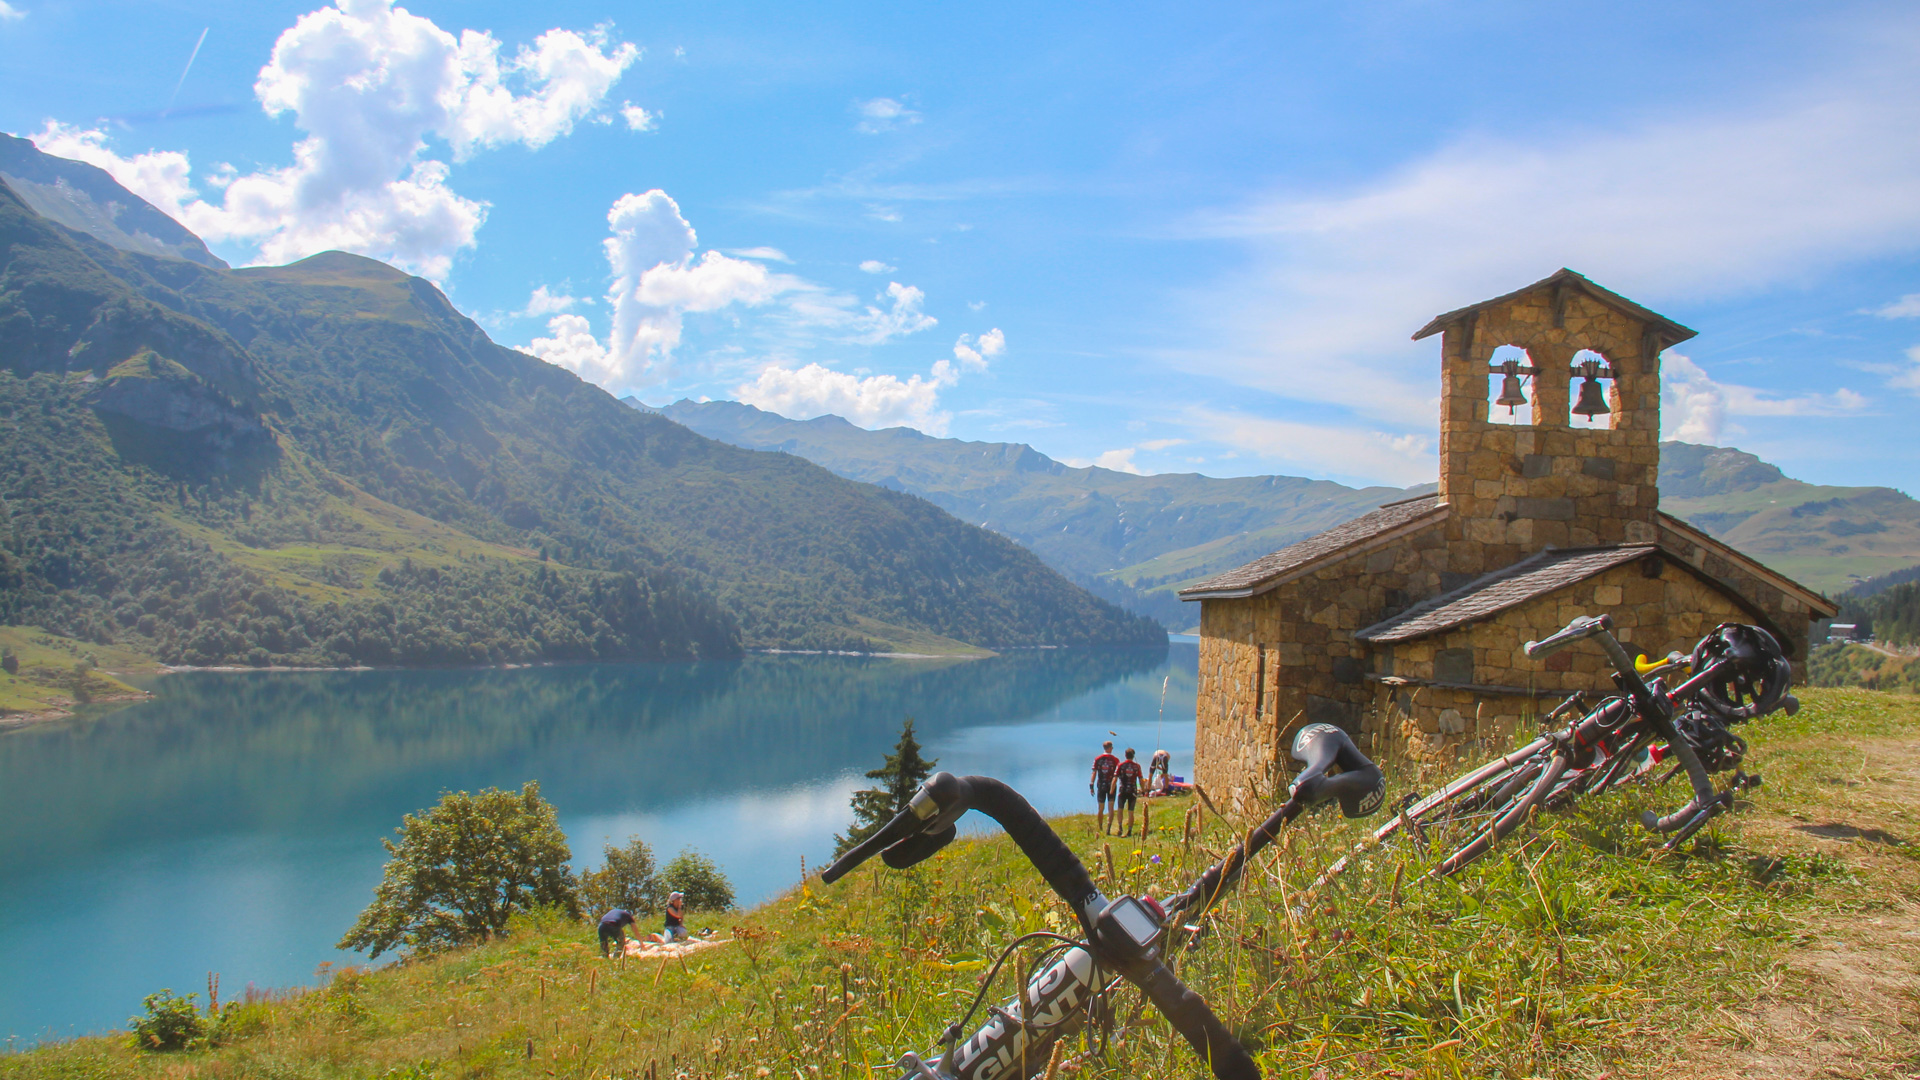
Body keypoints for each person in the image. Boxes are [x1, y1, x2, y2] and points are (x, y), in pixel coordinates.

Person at [1089, 740, 1120, 834]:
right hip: (1111, 786)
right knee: (1111, 808)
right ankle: (1108, 828)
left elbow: (1094, 772)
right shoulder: (1115, 760)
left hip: (1101, 785)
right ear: (1110, 748)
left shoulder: (1098, 759)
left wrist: (1091, 785)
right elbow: (1117, 775)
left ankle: (1100, 826)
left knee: (1100, 808)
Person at [1115, 748, 1144, 837]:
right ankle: (1129, 831)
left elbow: (1115, 778)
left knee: (1120, 809)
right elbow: (1141, 779)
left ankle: (1120, 827)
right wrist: (1143, 790)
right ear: (1133, 756)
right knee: (1131, 811)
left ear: (1125, 755)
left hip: (1122, 790)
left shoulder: (1121, 765)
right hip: (1133, 791)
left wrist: (1112, 789)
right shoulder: (1137, 766)